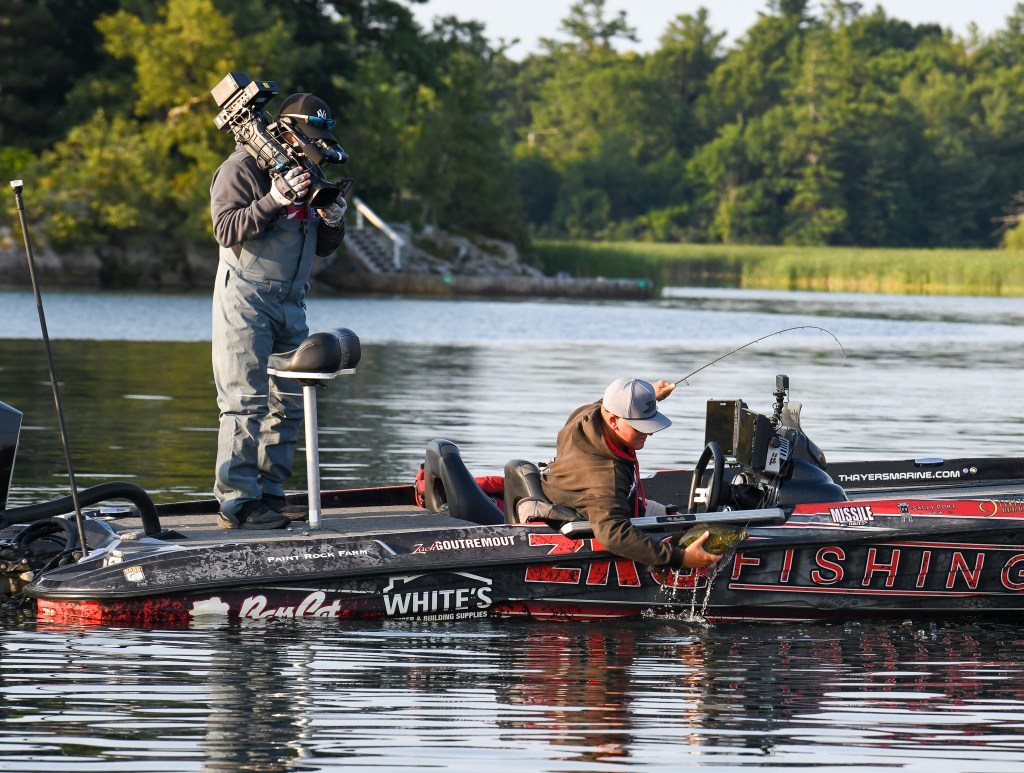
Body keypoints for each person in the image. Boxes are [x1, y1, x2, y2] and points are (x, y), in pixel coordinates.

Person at [209, 92, 347, 529]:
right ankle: (237, 504)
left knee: (289, 403)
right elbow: (224, 229)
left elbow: (322, 247)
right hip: (245, 299)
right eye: (311, 135)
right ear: (290, 131)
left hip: (291, 302)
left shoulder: (310, 170)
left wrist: (334, 220)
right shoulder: (241, 168)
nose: (316, 145)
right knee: (244, 402)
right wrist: (273, 198)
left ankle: (269, 494)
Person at [541, 377, 722, 571]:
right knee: (687, 530)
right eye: (640, 426)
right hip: (604, 516)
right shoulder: (604, 479)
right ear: (613, 421)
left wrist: (648, 397)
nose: (649, 433)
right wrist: (680, 558)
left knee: (680, 521)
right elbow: (613, 534)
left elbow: (609, 403)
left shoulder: (586, 416)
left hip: (612, 499)